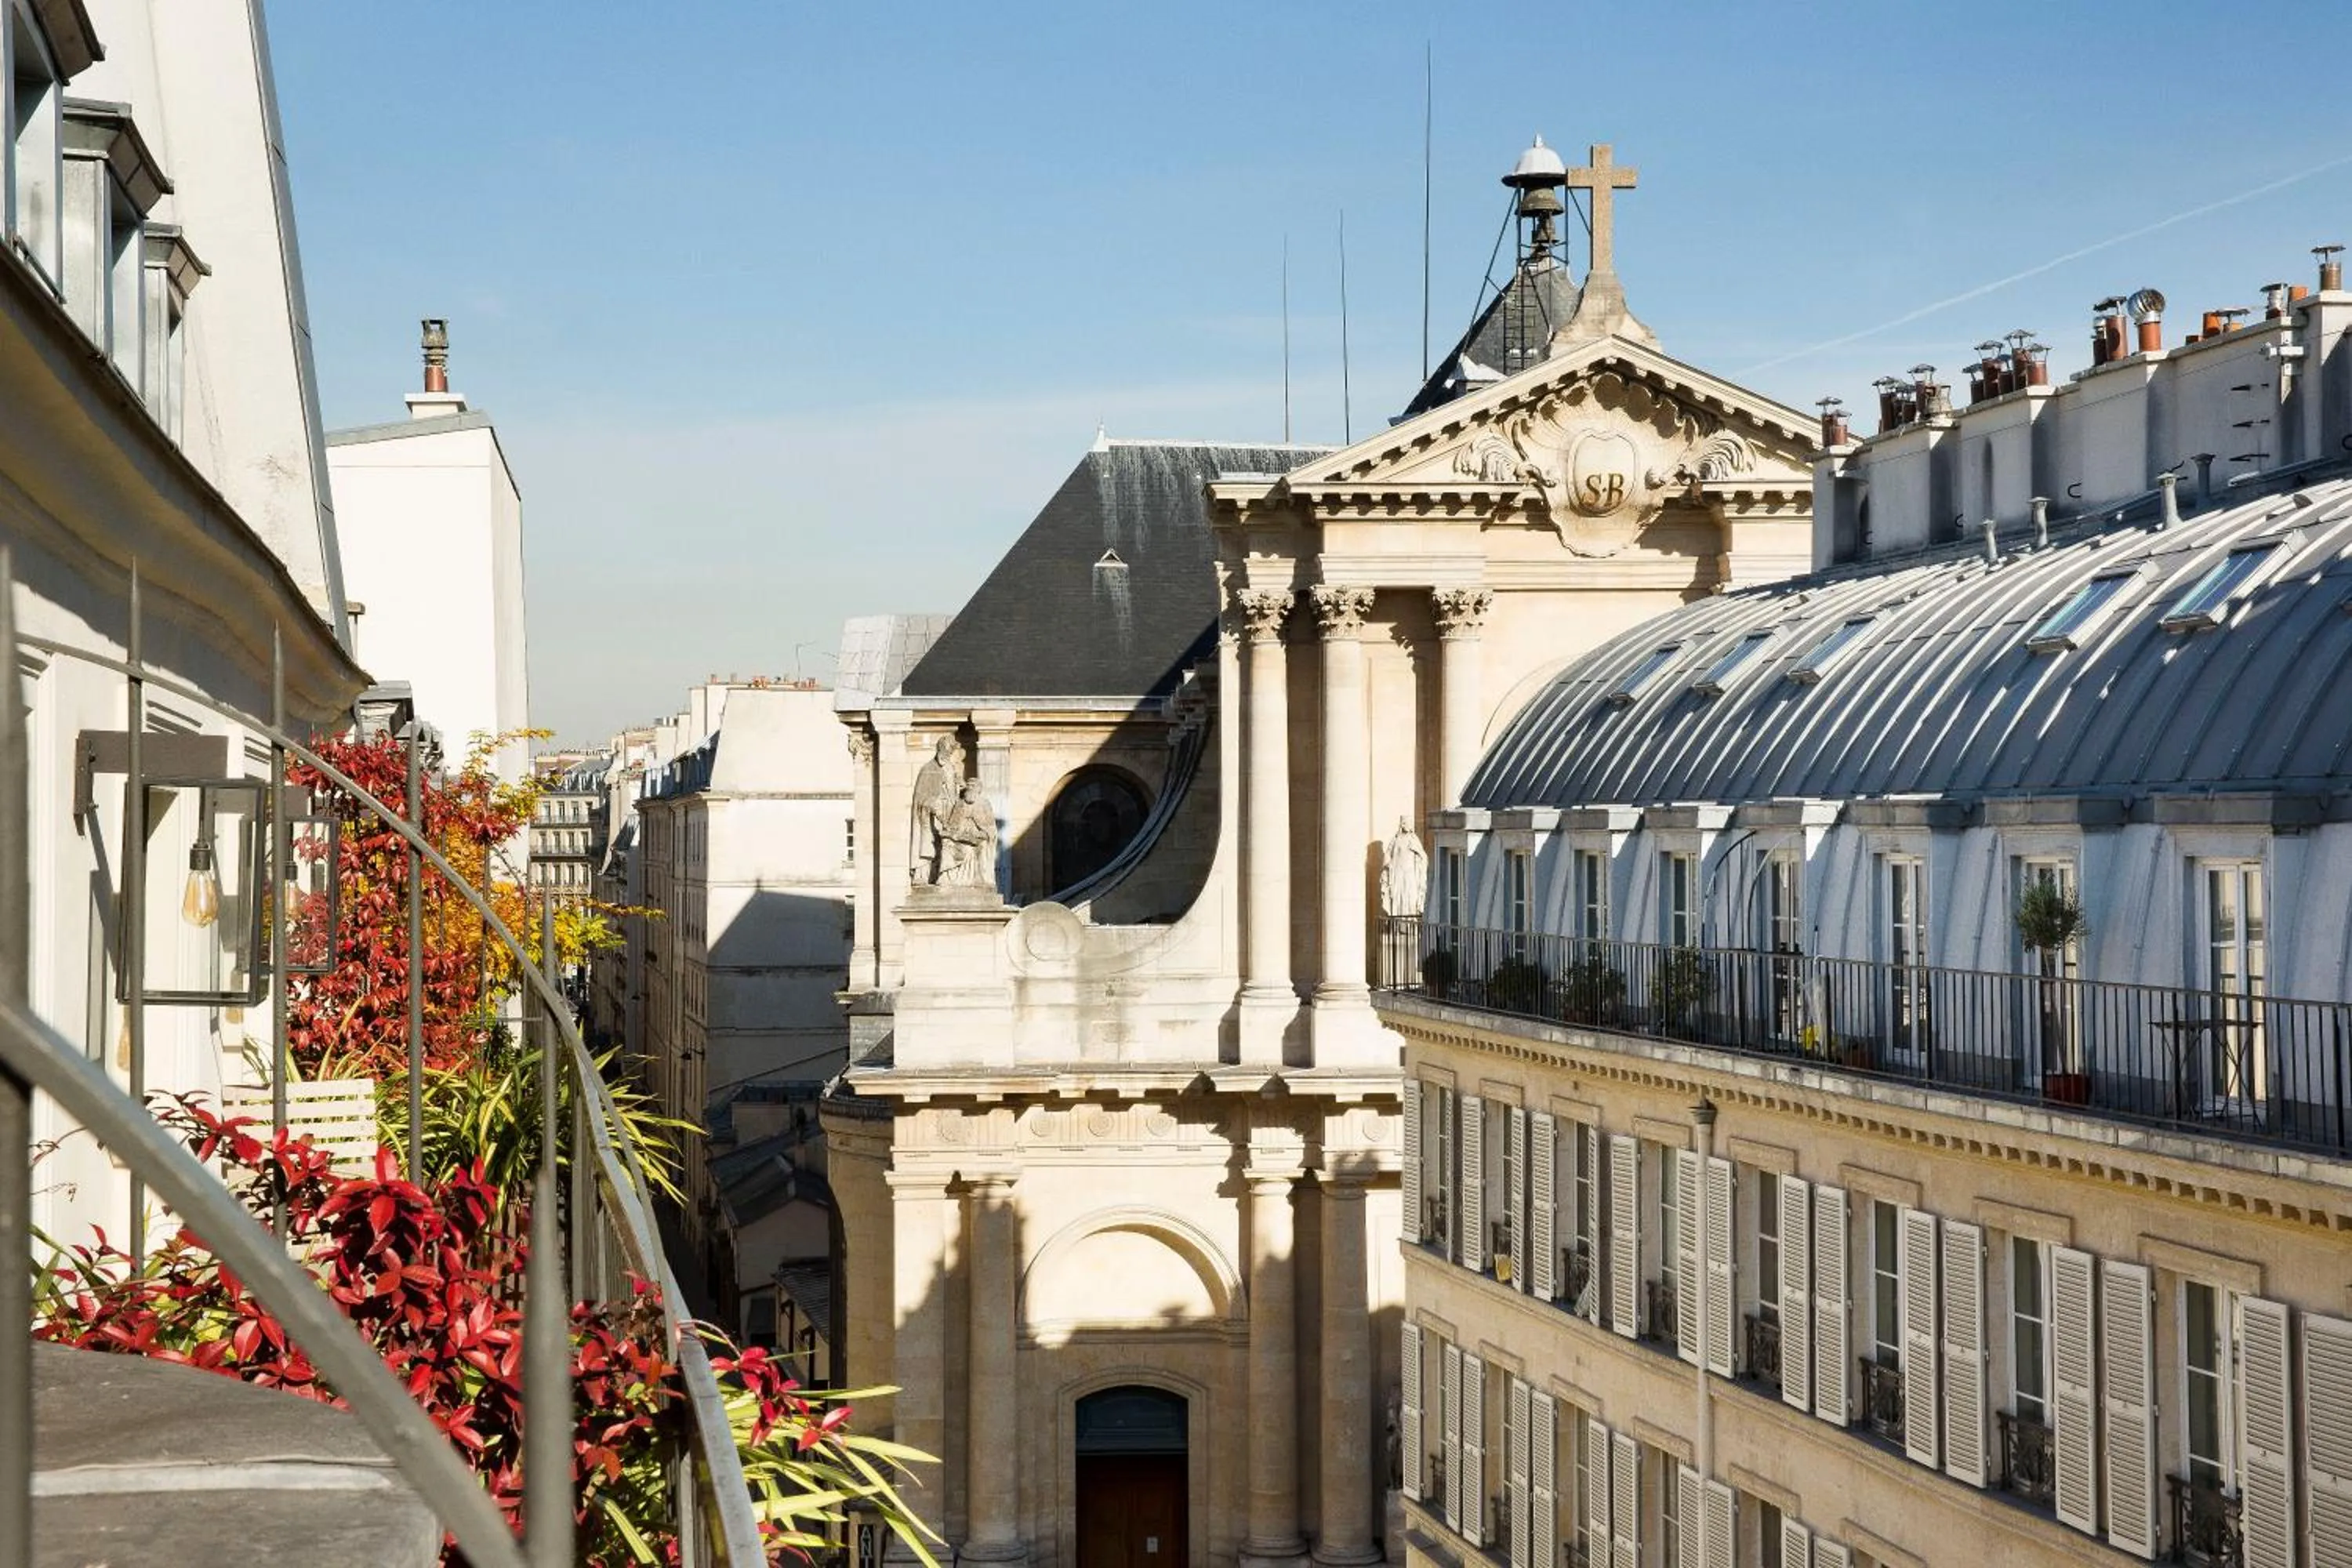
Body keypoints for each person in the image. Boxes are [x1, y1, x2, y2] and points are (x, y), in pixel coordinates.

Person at [909, 736, 962, 883]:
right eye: (948, 750)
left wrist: (959, 786)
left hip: (949, 812)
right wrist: (933, 804)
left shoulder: (951, 767)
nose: (949, 754)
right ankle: (925, 875)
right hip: (932, 815)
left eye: (951, 751)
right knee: (930, 845)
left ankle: (946, 876)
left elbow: (953, 792)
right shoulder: (928, 769)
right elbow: (922, 798)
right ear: (941, 749)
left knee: (947, 844)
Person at [938, 779, 1000, 891]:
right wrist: (951, 832)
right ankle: (947, 879)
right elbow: (953, 824)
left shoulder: (984, 804)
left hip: (978, 838)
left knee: (982, 846)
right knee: (947, 843)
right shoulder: (960, 804)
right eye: (968, 786)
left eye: (973, 786)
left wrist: (980, 833)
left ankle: (980, 880)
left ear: (979, 789)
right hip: (960, 837)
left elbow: (991, 829)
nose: (970, 788)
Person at [1380, 816, 1429, 919]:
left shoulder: (1414, 840)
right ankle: (1398, 926)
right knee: (1397, 897)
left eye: (1411, 823)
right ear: (1402, 824)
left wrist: (1417, 850)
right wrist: (1387, 864)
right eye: (1407, 823)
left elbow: (1424, 858)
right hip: (1397, 874)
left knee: (1411, 897)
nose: (1410, 825)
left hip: (1410, 874)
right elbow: (1388, 855)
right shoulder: (1395, 840)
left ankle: (1410, 923)